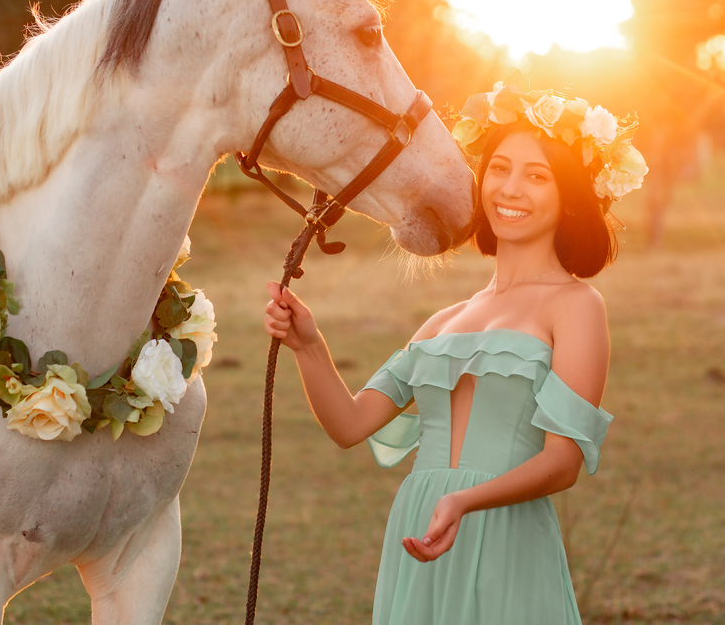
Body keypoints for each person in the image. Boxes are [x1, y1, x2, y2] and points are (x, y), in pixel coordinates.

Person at [262, 74, 648, 624]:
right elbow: (349, 425)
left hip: (503, 532)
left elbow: (562, 463)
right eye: (498, 168)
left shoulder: (576, 305)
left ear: (568, 200)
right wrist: (308, 346)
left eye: (536, 176)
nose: (510, 189)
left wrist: (465, 501)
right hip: (419, 532)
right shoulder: (444, 321)